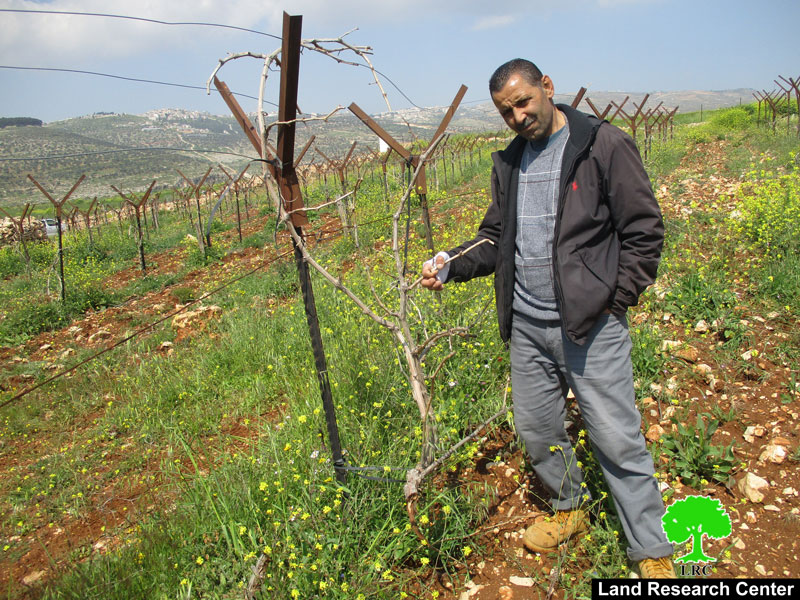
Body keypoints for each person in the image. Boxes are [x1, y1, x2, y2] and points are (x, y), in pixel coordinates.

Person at [421, 59, 675, 578]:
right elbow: (495, 237)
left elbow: (644, 230)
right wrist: (451, 264)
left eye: (522, 102)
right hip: (528, 327)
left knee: (616, 437)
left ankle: (650, 548)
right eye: (504, 110)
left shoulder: (601, 144)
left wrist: (614, 299)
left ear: (547, 89)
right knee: (538, 431)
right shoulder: (511, 162)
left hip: (590, 325)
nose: (516, 116)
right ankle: (569, 509)